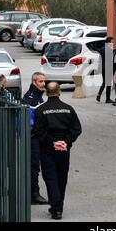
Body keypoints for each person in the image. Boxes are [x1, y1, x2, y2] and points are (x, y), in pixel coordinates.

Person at [33, 82, 82, 220]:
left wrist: (52, 142)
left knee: (50, 177)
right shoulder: (68, 109)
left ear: (46, 93)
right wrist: (66, 141)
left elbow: (38, 131)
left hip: (47, 149)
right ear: (59, 92)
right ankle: (58, 206)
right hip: (64, 149)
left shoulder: (40, 110)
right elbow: (77, 129)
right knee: (62, 177)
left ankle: (56, 208)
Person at [22, 72, 49, 205]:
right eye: (40, 81)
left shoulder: (37, 97)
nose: (43, 84)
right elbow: (28, 121)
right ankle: (33, 194)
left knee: (35, 165)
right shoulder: (30, 98)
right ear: (34, 82)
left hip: (37, 137)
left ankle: (33, 192)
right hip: (33, 138)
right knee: (33, 166)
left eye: (44, 81)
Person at [96, 37, 115, 104]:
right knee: (108, 83)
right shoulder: (110, 50)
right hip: (108, 67)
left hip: (103, 67)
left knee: (104, 82)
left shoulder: (101, 49)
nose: (113, 43)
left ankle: (99, 94)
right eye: (112, 42)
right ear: (108, 42)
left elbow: (99, 59)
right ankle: (108, 99)